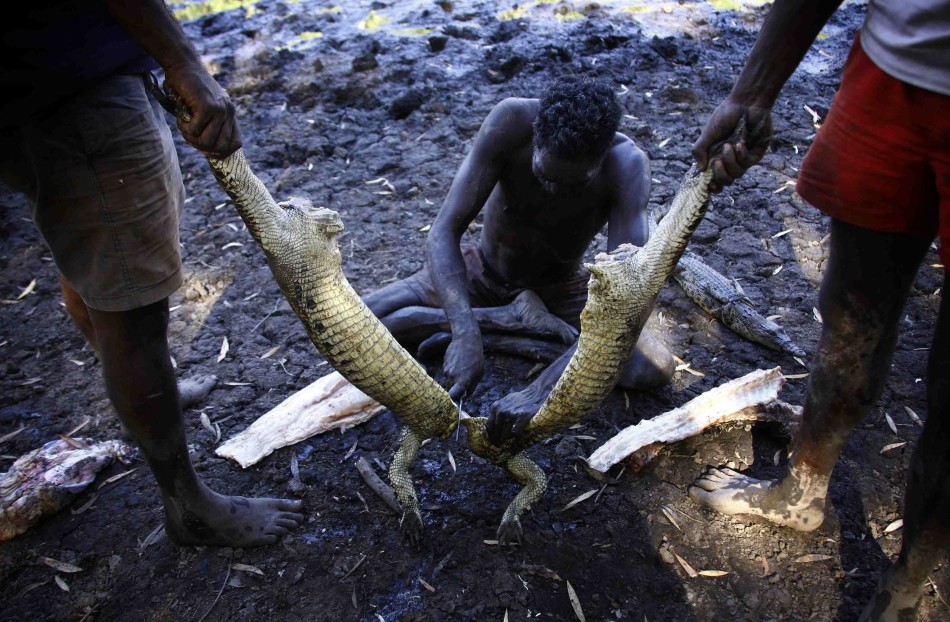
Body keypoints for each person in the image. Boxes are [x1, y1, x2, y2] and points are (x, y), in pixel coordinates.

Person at [0, 0, 303, 547]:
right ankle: (189, 505)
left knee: (93, 255)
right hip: (76, 89)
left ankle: (144, 395)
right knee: (132, 311)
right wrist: (183, 60)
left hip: (29, 86)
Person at [687, 1, 949, 620]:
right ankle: (800, 489)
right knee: (850, 314)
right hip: (895, 77)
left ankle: (908, 581)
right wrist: (754, 91)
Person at [364, 76, 675, 444]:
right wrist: (464, 332)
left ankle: (512, 329)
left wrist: (540, 390)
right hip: (480, 271)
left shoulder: (627, 166)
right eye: (543, 175)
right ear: (536, 138)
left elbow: (627, 300)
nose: (553, 191)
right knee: (363, 317)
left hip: (560, 290)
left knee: (649, 367)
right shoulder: (511, 121)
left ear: (602, 154)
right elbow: (442, 232)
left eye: (571, 186)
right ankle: (506, 319)